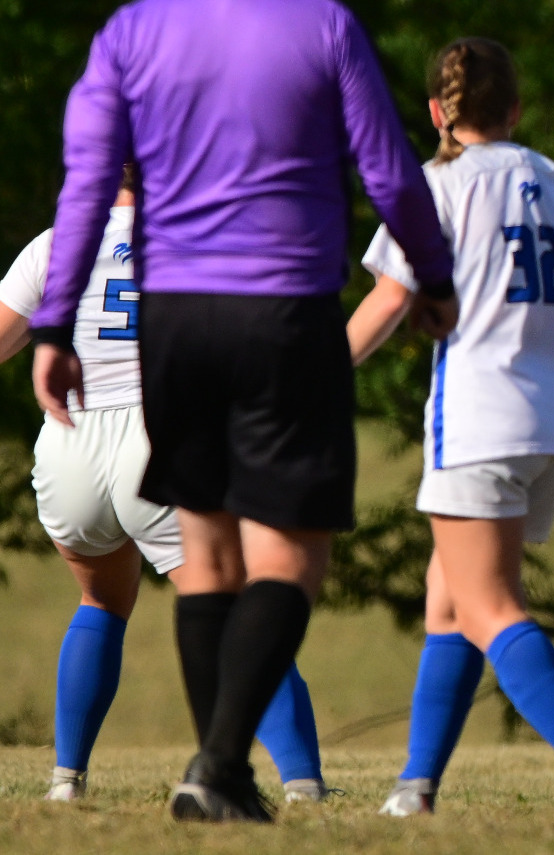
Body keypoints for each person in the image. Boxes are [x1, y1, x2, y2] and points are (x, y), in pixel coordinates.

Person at [31, 0, 458, 823]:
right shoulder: (322, 24)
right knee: (290, 561)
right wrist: (433, 277)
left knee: (210, 551)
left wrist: (55, 324)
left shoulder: (128, 32)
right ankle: (220, 762)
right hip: (283, 308)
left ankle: (219, 779)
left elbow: (88, 180)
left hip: (176, 321)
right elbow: (388, 166)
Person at [346, 37, 554, 819]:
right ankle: (415, 786)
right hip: (552, 422)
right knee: (449, 598)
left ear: (437, 113)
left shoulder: (433, 187)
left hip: (479, 418)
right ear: (516, 109)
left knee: (488, 604)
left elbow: (389, 304)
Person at [0, 166, 331, 804]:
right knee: (240, 610)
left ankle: (66, 783)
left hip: (71, 444)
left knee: (100, 605)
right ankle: (303, 783)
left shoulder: (57, 242)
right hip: (160, 439)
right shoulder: (196, 236)